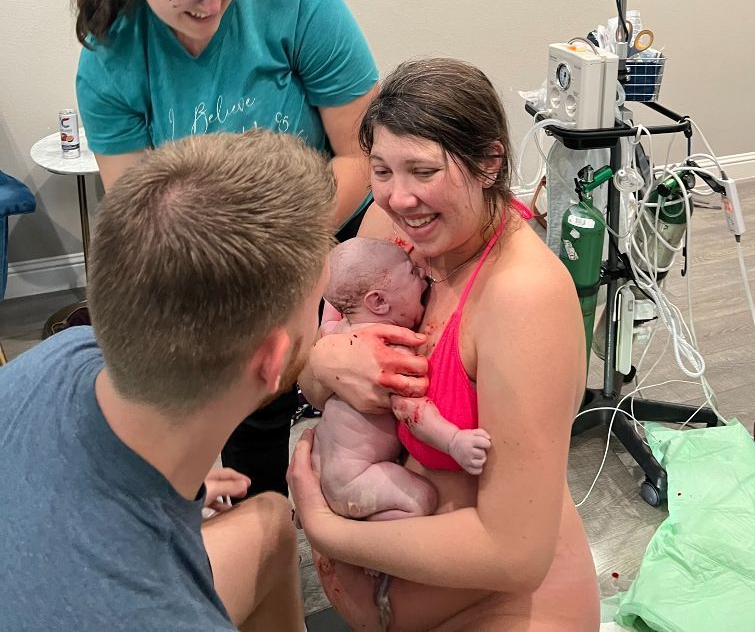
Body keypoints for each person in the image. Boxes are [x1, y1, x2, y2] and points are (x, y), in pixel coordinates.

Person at [74, 0, 379, 496]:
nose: (210, 2)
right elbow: (145, 221)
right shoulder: (113, 54)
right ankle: (261, 513)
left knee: (350, 408)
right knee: (240, 421)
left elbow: (361, 157)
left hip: (323, 240)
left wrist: (289, 264)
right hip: (214, 266)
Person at [290, 58, 601, 631]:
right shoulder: (390, 236)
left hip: (500, 608)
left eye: (423, 171)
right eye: (381, 170)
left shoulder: (521, 296)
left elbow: (515, 554)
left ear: (489, 163)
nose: (398, 198)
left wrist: (326, 527)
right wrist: (327, 358)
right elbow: (307, 377)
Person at [0, 130, 334, 631]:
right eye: (320, 306)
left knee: (270, 526)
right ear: (273, 358)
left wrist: (185, 483)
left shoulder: (62, 353)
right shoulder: (167, 615)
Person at [313, 238, 491, 523]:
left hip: (324, 461)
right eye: (410, 272)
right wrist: (454, 440)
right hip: (357, 479)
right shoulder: (389, 352)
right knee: (421, 500)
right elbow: (411, 412)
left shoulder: (340, 331)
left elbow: (326, 325)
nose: (422, 274)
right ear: (379, 301)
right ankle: (370, 538)